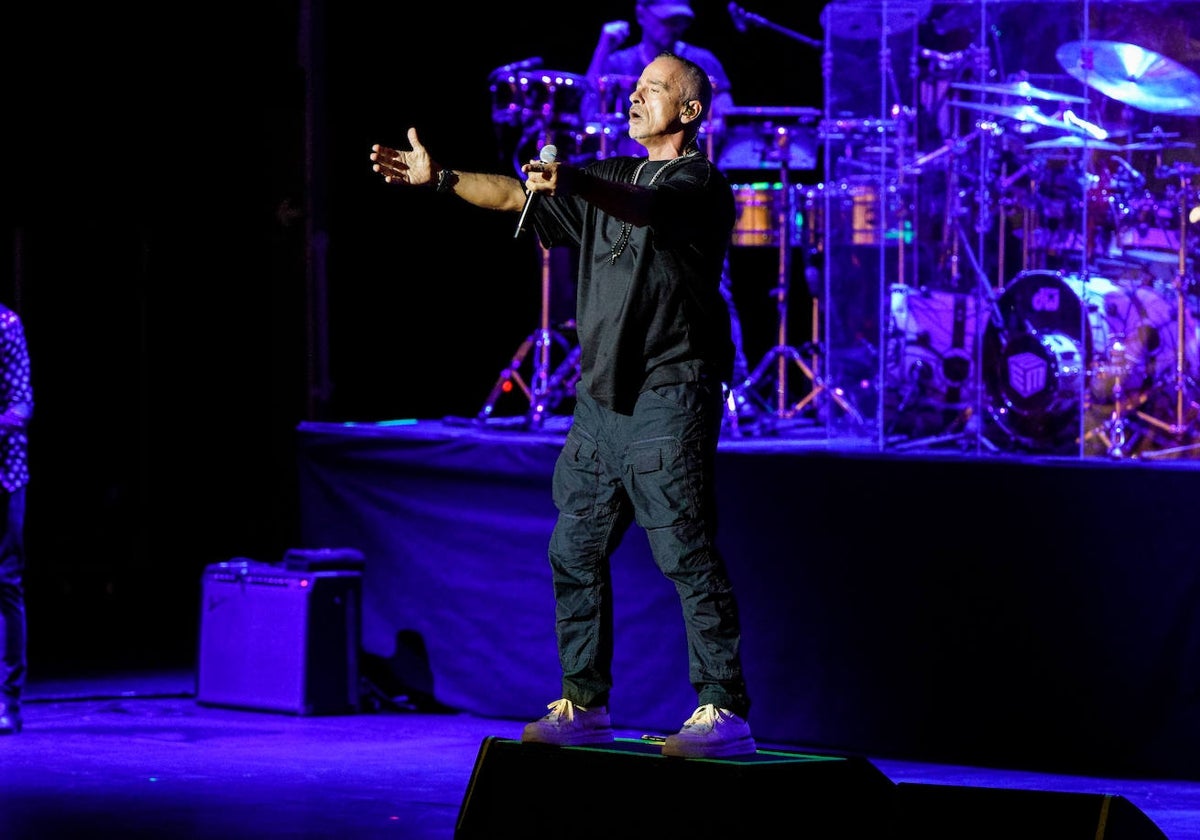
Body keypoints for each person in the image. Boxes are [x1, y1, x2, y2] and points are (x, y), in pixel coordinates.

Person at [371, 51, 756, 757]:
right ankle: (585, 704)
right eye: (634, 89)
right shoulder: (606, 175)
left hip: (668, 395)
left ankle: (724, 710)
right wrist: (443, 179)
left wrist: (572, 178)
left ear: (692, 110)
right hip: (599, 406)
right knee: (572, 550)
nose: (635, 98)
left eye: (653, 90)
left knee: (685, 554)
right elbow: (517, 197)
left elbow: (646, 206)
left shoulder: (698, 184)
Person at [583, 0, 752, 409]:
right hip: (630, 190)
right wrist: (603, 46)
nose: (673, 29)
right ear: (643, 14)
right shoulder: (622, 59)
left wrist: (714, 112)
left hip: (678, 189)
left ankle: (735, 390)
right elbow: (588, 112)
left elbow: (726, 109)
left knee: (709, 283)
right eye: (666, 20)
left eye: (681, 22)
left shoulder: (700, 60)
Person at [0, 302, 32, 736]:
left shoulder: (5, 325)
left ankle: (7, 700)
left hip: (3, 475)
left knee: (4, 583)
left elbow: (22, 407)